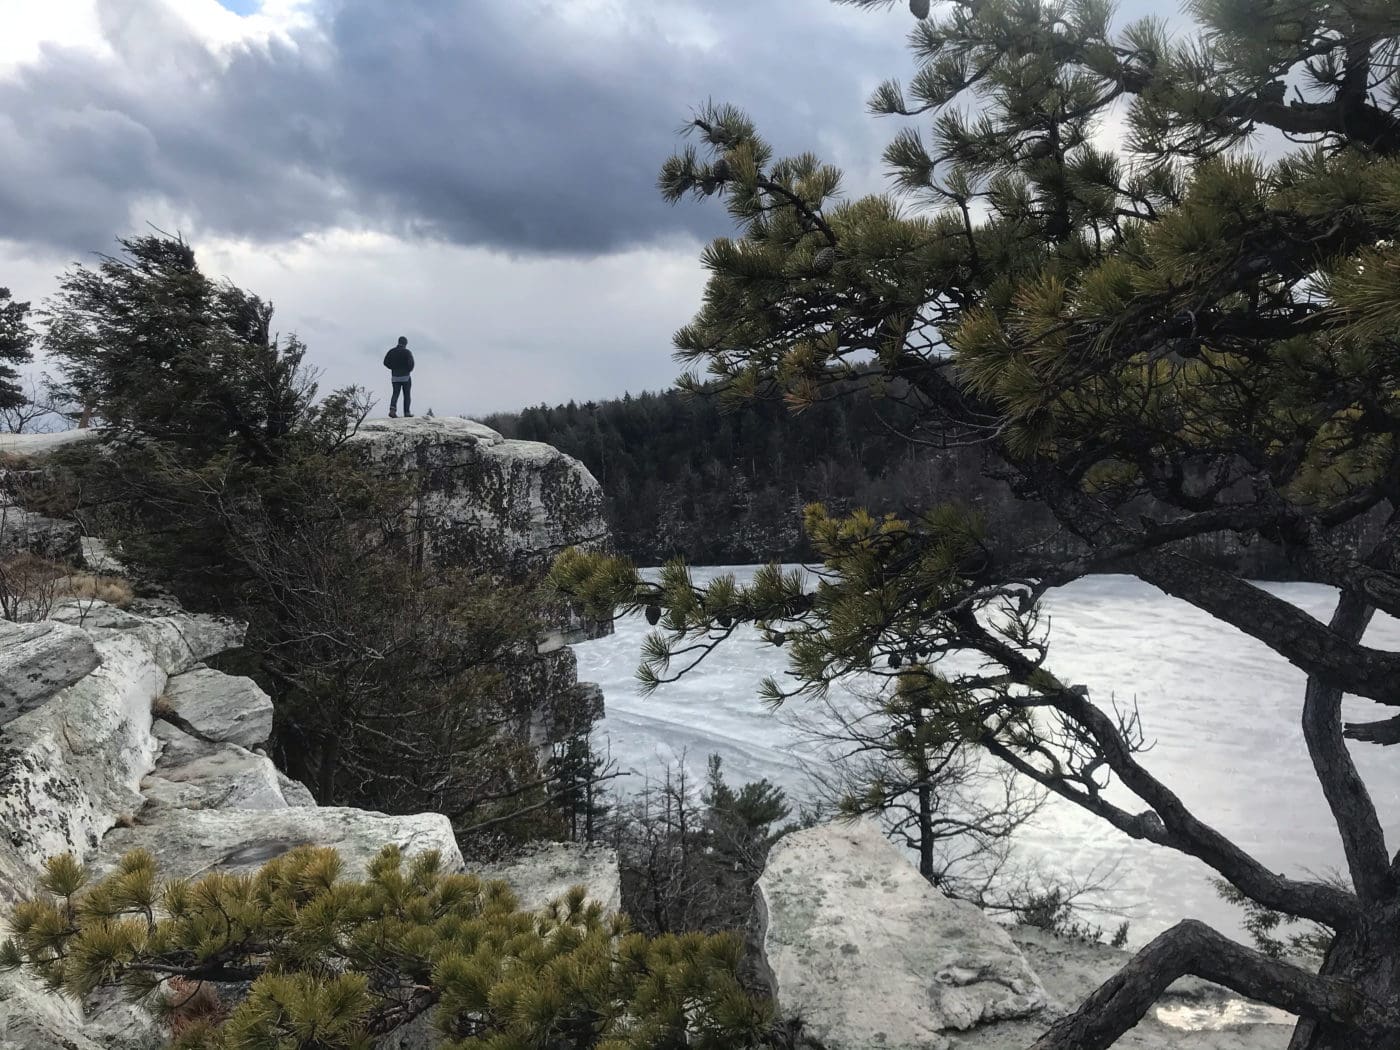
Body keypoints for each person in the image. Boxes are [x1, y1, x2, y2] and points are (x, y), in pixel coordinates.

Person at [383, 336, 415, 418]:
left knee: (395, 393)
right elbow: (411, 364)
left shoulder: (391, 351)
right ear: (405, 343)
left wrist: (392, 368)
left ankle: (392, 410)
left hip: (395, 376)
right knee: (407, 394)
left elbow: (385, 362)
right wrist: (408, 370)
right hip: (405, 376)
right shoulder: (407, 352)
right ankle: (407, 412)